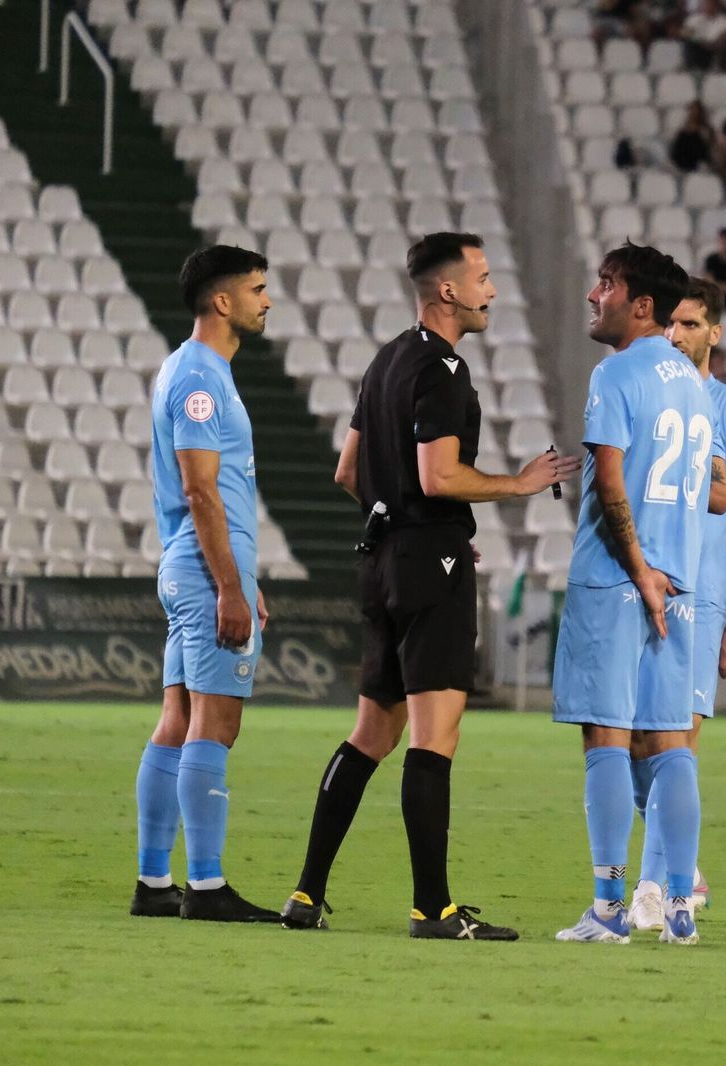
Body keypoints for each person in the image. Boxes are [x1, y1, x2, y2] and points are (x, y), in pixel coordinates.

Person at [279, 233, 576, 938]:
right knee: (434, 739)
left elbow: (349, 473)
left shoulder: (385, 360)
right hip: (428, 563)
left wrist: (404, 533)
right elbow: (439, 476)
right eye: (481, 276)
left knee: (370, 733)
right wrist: (518, 484)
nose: (490, 290)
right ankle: (433, 909)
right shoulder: (443, 369)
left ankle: (306, 895)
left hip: (379, 562)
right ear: (447, 290)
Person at [552, 242, 724, 946]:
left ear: (640, 304)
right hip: (680, 583)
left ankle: (607, 910)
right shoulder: (692, 383)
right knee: (669, 742)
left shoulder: (615, 372)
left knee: (608, 739)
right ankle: (679, 907)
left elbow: (611, 480)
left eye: (608, 285)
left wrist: (636, 566)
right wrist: (664, 574)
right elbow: (715, 493)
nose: (595, 296)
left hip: (619, 579)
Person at [132, 245, 276, 922]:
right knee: (214, 725)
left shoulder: (191, 368)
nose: (265, 299)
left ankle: (154, 882)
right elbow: (200, 489)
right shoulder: (198, 377)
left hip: (195, 568)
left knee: (179, 721)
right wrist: (228, 586)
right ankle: (209, 888)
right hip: (199, 570)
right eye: (256, 288)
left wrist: (242, 577)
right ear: (222, 301)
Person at [628, 277, 726, 933]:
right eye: (669, 324)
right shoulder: (641, 399)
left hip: (697, 602)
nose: (675, 336)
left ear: (715, 332)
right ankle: (682, 866)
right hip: (634, 594)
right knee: (629, 746)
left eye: (689, 325)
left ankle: (654, 891)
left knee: (672, 746)